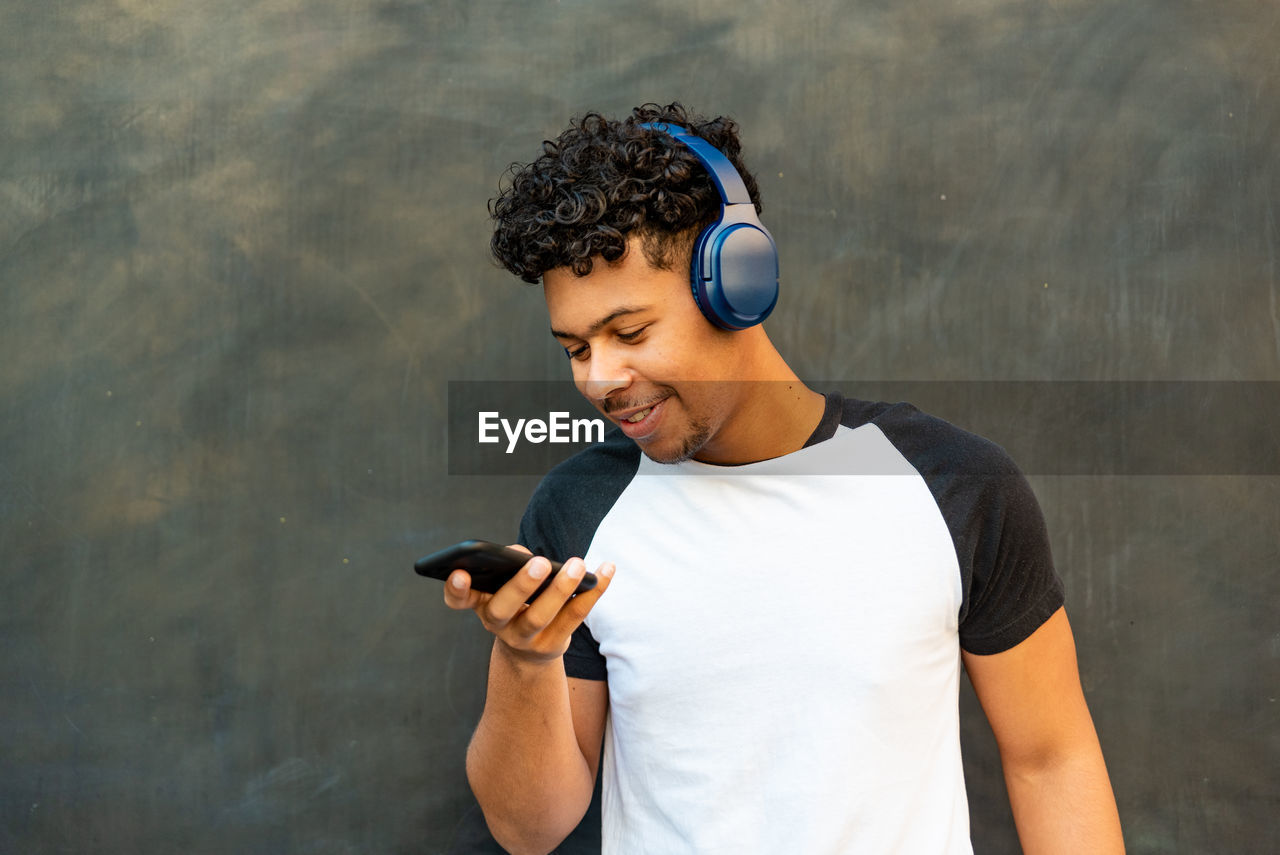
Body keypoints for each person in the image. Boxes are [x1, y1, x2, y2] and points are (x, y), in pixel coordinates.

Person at [443, 102, 1124, 855]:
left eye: (629, 332)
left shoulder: (953, 484)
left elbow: (1051, 760)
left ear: (738, 284)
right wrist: (523, 654)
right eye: (576, 348)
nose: (602, 378)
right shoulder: (580, 512)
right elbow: (527, 829)